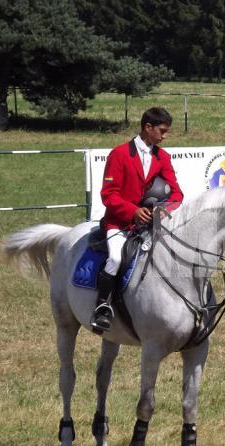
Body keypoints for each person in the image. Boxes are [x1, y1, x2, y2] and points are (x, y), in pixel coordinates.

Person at [91, 107, 183, 331]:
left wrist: (164, 209)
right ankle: (102, 306)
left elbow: (177, 194)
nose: (164, 136)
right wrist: (132, 211)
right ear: (147, 127)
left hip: (151, 224)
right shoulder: (119, 154)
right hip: (120, 223)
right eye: (161, 131)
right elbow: (108, 194)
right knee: (115, 257)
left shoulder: (163, 157)